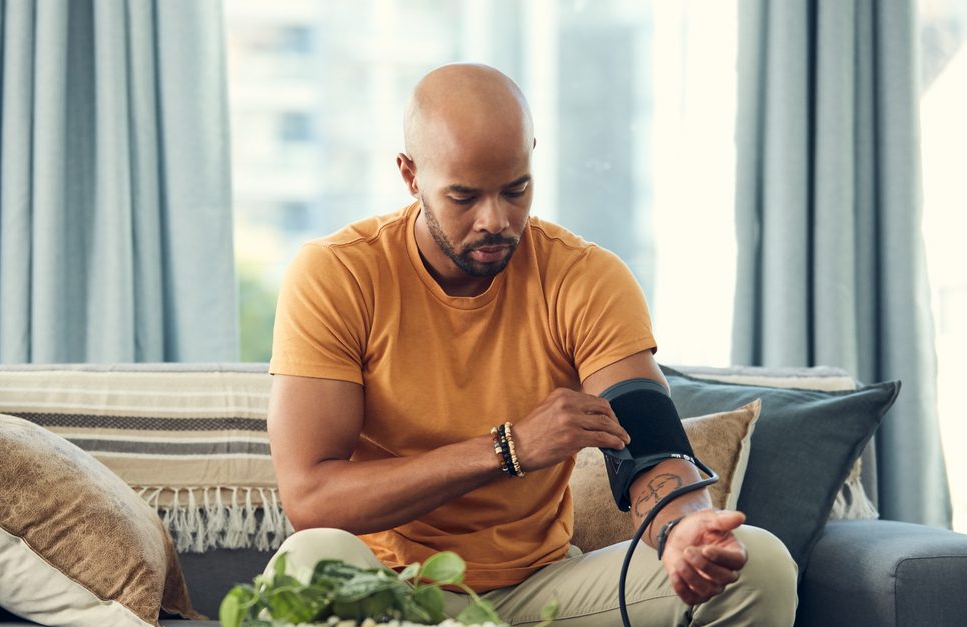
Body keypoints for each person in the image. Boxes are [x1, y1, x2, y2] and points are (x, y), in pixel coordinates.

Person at [266, 63, 797, 626]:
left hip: (543, 592)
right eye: (464, 197)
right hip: (391, 595)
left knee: (760, 565)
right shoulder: (339, 274)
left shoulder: (584, 277)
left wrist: (683, 525)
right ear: (410, 174)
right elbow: (312, 498)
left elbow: (648, 439)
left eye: (515, 189)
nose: (496, 220)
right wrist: (508, 448)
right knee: (310, 562)